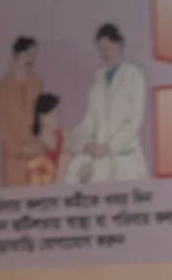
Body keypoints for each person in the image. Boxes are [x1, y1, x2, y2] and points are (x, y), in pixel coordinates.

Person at [62, 23, 145, 184]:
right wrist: (80, 142)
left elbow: (134, 123)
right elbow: (91, 120)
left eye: (107, 48)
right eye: (100, 49)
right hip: (100, 163)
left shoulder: (134, 76)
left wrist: (109, 148)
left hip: (125, 159)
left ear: (119, 45)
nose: (103, 53)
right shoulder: (98, 79)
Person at [0, 35, 41, 186]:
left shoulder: (37, 83)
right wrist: (19, 149)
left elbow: (43, 117)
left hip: (36, 154)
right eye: (28, 54)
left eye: (34, 55)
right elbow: (1, 125)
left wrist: (40, 144)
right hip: (14, 158)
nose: (31, 60)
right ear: (16, 55)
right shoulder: (3, 86)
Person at [23, 93, 64, 186]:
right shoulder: (34, 149)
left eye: (59, 114)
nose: (59, 118)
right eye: (55, 114)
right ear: (42, 116)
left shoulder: (62, 137)